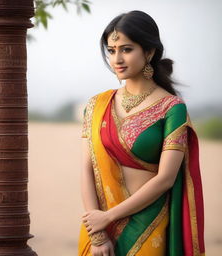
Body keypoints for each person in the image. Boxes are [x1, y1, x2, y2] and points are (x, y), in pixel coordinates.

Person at [78, 10, 205, 256]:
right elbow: (86, 168)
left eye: (126, 49)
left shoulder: (172, 108)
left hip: (148, 224)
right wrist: (98, 232)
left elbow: (165, 178)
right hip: (97, 226)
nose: (117, 58)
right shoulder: (96, 105)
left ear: (149, 52)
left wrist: (109, 217)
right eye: (111, 50)